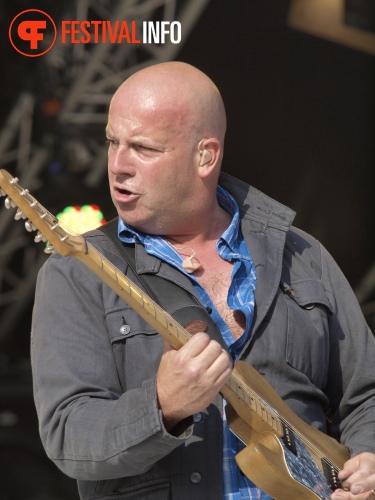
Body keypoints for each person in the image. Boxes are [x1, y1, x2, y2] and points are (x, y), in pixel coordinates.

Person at [31, 61, 375, 500]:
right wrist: (160, 406)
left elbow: (367, 394)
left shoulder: (302, 255)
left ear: (205, 156)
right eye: (113, 142)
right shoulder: (77, 272)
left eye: (144, 148)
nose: (117, 165)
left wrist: (368, 457)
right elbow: (67, 436)